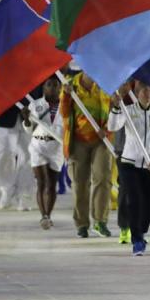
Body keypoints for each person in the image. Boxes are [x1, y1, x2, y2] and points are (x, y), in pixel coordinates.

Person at [107, 82, 150, 256]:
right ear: (136, 92)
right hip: (129, 164)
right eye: (144, 91)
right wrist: (116, 107)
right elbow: (112, 126)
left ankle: (141, 230)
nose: (148, 94)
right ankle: (137, 240)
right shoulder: (128, 110)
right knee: (133, 199)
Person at [60, 70, 113, 238]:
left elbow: (114, 111)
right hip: (78, 141)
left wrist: (107, 129)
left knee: (103, 179)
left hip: (101, 141)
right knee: (80, 183)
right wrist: (67, 96)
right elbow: (64, 113)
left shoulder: (106, 82)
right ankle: (82, 224)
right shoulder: (70, 85)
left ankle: (100, 221)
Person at [23, 77, 64, 230]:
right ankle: (43, 216)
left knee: (52, 184)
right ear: (43, 88)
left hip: (57, 148)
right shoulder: (35, 105)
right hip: (38, 145)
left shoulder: (66, 105)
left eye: (56, 85)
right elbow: (28, 129)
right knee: (42, 181)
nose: (53, 88)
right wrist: (26, 119)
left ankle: (49, 213)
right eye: (49, 85)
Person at [0, 104, 34, 211]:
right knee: (4, 155)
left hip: (30, 113)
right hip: (3, 112)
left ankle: (24, 194)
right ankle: (6, 189)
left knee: (28, 155)